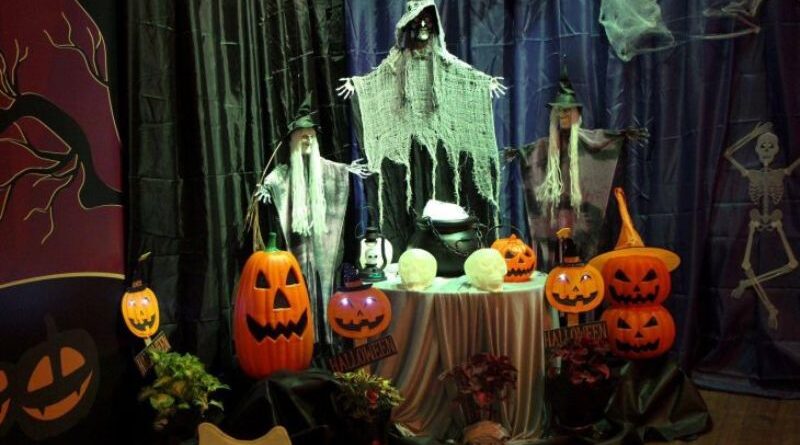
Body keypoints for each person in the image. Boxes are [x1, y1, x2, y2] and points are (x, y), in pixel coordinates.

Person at [256, 94, 369, 343]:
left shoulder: (325, 168)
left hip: (323, 242)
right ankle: (306, 337)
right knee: (298, 284)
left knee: (325, 278)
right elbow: (277, 177)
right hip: (299, 243)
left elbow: (334, 169)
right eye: (302, 136)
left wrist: (347, 169)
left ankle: (327, 336)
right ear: (293, 140)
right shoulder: (285, 172)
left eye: (311, 136)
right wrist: (267, 187)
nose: (307, 140)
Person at [510, 66, 647, 270]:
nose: (562, 115)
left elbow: (600, 141)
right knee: (556, 244)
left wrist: (620, 137)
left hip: (579, 214)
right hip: (556, 215)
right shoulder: (547, 147)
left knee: (581, 247)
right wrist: (519, 153)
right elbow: (535, 152)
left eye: (567, 111)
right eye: (559, 111)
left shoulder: (587, 142)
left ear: (576, 113)